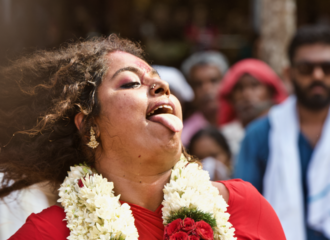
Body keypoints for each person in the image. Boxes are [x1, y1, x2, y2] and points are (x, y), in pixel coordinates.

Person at [0, 34, 285, 240]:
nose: (160, 85)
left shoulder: (243, 206)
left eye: (159, 79)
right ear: (88, 126)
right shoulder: (48, 234)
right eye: (131, 82)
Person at [234, 25, 330, 240]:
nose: (318, 75)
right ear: (289, 73)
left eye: (327, 68)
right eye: (306, 68)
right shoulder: (260, 134)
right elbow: (243, 211)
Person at [218, 59, 287, 156]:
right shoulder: (223, 138)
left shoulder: (287, 130)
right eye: (239, 88)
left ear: (271, 91)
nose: (246, 94)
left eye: (254, 85)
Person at [181, 51, 229, 146]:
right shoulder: (185, 135)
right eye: (198, 84)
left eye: (213, 81)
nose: (206, 89)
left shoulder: (242, 122)